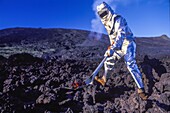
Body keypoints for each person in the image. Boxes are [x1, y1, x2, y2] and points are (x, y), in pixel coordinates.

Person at [95, 2, 148, 100]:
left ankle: (141, 89)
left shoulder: (117, 19)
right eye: (101, 14)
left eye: (104, 13)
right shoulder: (107, 24)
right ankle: (104, 79)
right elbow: (113, 38)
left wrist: (114, 47)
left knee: (130, 64)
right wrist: (111, 47)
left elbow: (121, 35)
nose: (104, 16)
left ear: (108, 10)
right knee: (108, 61)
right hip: (117, 46)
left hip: (127, 42)